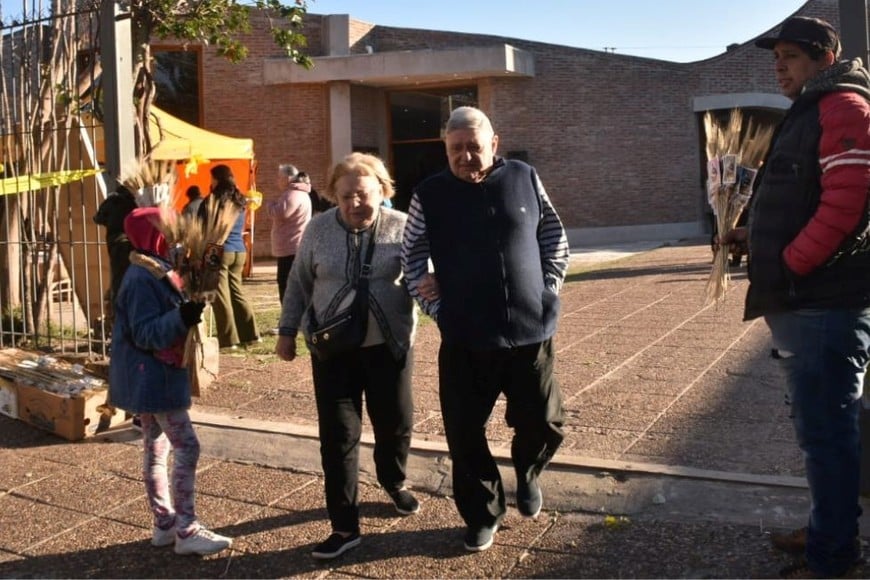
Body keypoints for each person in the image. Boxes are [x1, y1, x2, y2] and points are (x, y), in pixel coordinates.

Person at [719, 17, 870, 579]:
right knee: (819, 432)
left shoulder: (843, 108)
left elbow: (848, 206)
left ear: (824, 58)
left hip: (823, 306)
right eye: (776, 57)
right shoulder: (812, 109)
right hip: (807, 303)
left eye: (791, 56)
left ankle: (833, 557)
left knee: (827, 435)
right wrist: (751, 234)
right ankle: (828, 530)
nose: (779, 66)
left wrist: (788, 264)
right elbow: (801, 198)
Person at [401, 106, 569, 552]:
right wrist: (437, 308)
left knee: (544, 421)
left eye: (474, 147)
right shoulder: (429, 194)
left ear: (494, 144)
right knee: (464, 433)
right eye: (455, 149)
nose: (465, 157)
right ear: (445, 150)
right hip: (466, 338)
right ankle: (482, 513)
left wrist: (546, 290)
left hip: (530, 333)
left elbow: (553, 235)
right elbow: (411, 257)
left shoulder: (524, 177)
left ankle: (528, 473)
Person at [276, 152, 419, 560]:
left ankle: (393, 480)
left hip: (388, 347)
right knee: (337, 437)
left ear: (382, 190)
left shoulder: (402, 227)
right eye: (345, 197)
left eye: (363, 194)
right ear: (333, 196)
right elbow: (299, 284)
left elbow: (422, 280)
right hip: (332, 350)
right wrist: (286, 331)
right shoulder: (319, 229)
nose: (355, 203)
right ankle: (344, 525)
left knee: (394, 425)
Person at [108, 207, 232, 557]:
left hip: (152, 376)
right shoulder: (141, 278)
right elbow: (145, 333)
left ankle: (164, 524)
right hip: (154, 377)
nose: (175, 233)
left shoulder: (156, 265)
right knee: (187, 447)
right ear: (153, 234)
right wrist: (181, 317)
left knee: (156, 446)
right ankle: (186, 530)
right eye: (167, 228)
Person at [204, 164, 260, 349]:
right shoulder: (240, 199)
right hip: (239, 250)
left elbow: (204, 225)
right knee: (237, 292)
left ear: (217, 179)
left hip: (220, 249)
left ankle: (228, 339)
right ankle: (250, 334)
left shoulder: (214, 199)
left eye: (212, 178)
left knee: (221, 296)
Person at [266, 164, 312, 304]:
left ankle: (289, 315)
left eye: (279, 177)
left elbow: (280, 213)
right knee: (291, 284)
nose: (277, 181)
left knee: (286, 285)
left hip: (290, 247)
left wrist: (269, 205)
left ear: (287, 178)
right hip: (293, 245)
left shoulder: (292, 194)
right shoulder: (300, 193)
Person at [92, 183, 137, 308]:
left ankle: (117, 304)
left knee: (117, 275)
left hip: (115, 241)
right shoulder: (135, 201)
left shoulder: (111, 201)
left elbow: (97, 218)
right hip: (132, 242)